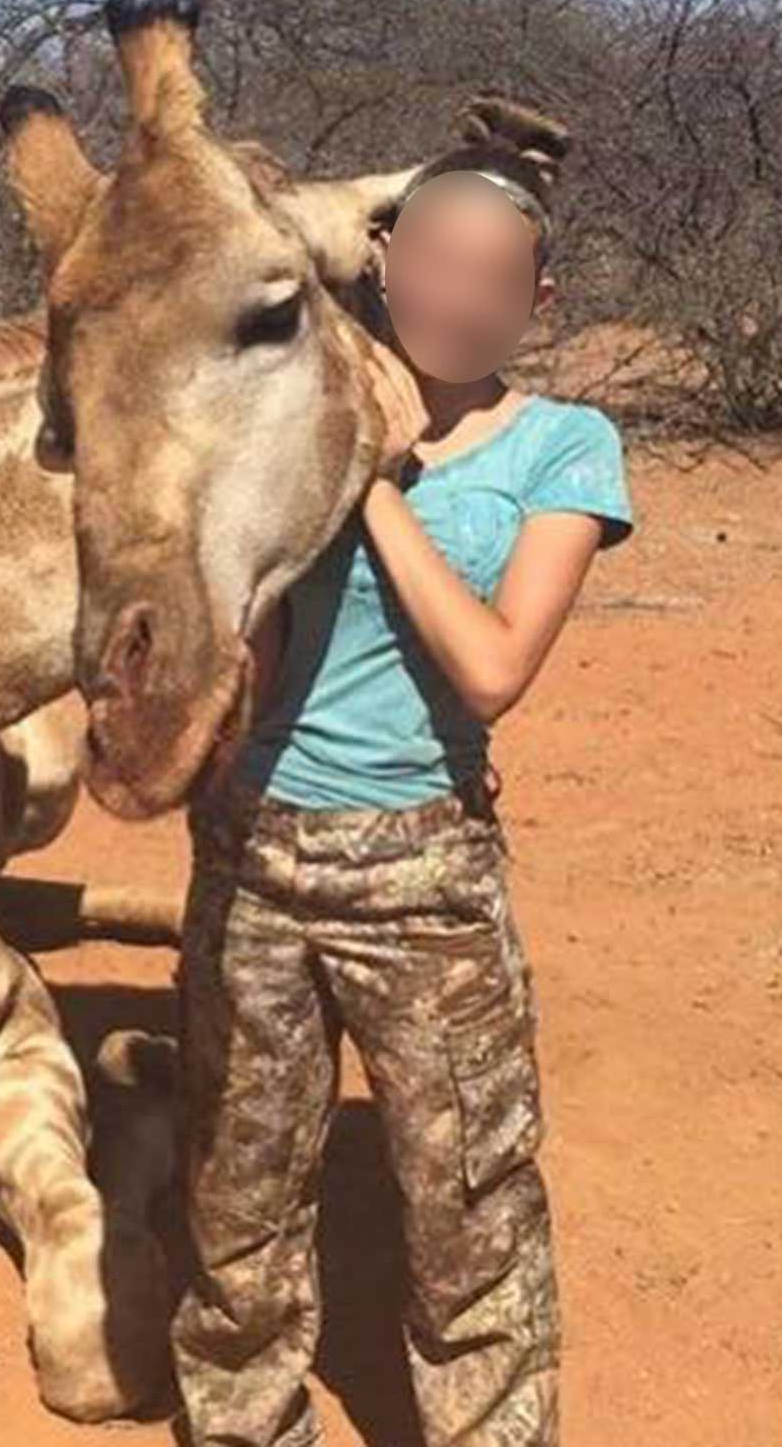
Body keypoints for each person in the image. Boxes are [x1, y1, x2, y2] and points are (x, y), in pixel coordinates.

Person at [169, 101, 635, 1447]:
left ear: (539, 297)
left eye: (496, 279)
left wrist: (367, 479)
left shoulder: (563, 447)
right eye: (433, 265)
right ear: (384, 261)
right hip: (250, 852)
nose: (459, 299)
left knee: (467, 1203)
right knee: (239, 1193)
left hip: (424, 872)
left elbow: (491, 672)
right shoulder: (292, 410)